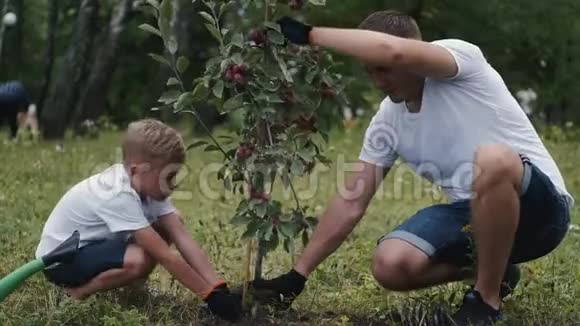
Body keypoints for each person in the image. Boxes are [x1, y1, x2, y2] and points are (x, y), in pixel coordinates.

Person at [251, 11, 574, 325]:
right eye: (370, 72)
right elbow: (351, 201)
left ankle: (485, 303)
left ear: (414, 55)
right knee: (391, 265)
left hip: (541, 212)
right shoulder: (386, 123)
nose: (378, 82)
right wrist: (298, 275)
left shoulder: (462, 61)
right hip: (473, 215)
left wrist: (309, 34)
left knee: (493, 158)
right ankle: (495, 272)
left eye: (384, 70)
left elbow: (393, 49)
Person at [35, 119, 241, 322]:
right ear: (136, 170)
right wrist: (208, 295)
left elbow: (181, 236)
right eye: (168, 177)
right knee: (139, 259)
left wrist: (218, 287)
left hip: (90, 247)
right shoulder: (117, 194)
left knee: (172, 221)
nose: (173, 184)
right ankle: (78, 292)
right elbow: (165, 256)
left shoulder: (149, 187)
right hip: (60, 261)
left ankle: (129, 283)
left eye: (174, 175)